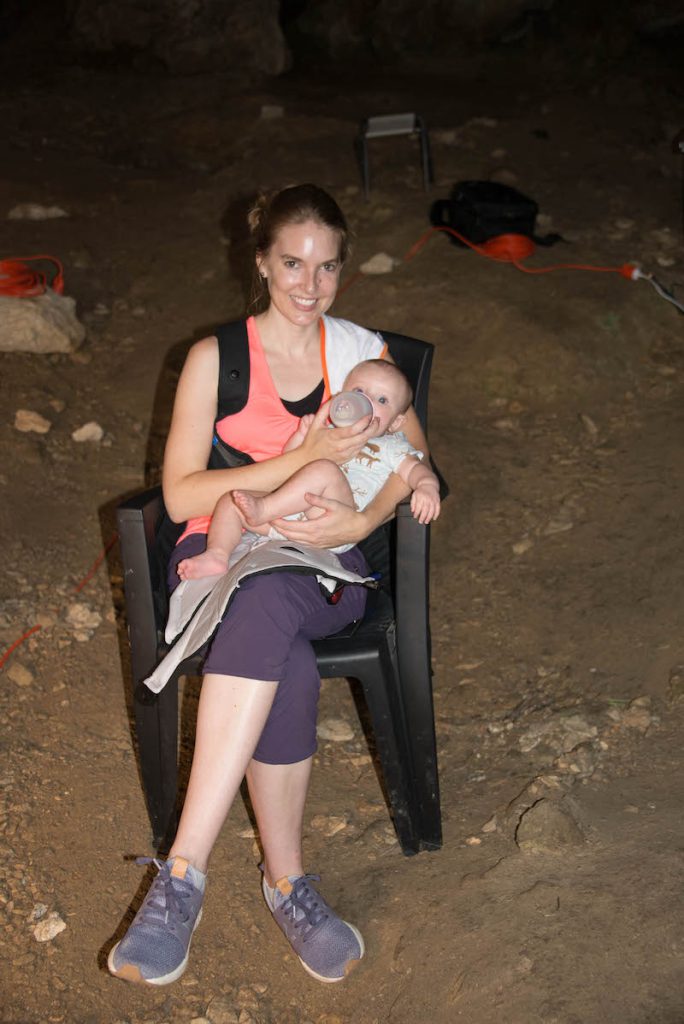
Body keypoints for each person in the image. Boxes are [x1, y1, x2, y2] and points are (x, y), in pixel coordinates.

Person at [107, 183, 430, 987]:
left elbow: (424, 472)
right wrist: (300, 458)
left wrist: (360, 524)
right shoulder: (216, 359)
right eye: (292, 261)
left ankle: (180, 879)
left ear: (341, 271)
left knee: (275, 597)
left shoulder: (359, 354)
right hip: (222, 554)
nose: (308, 284)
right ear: (261, 261)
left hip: (327, 562)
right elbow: (182, 496)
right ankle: (287, 884)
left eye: (325, 267)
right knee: (265, 620)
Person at [176, 358, 441, 580]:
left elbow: (416, 471)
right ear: (342, 398)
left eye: (382, 399)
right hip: (289, 521)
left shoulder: (391, 446)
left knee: (324, 470)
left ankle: (263, 510)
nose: (368, 402)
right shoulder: (325, 433)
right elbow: (290, 466)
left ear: (396, 422)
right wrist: (301, 442)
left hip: (336, 523)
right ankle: (217, 555)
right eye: (360, 392)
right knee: (231, 499)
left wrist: (427, 487)